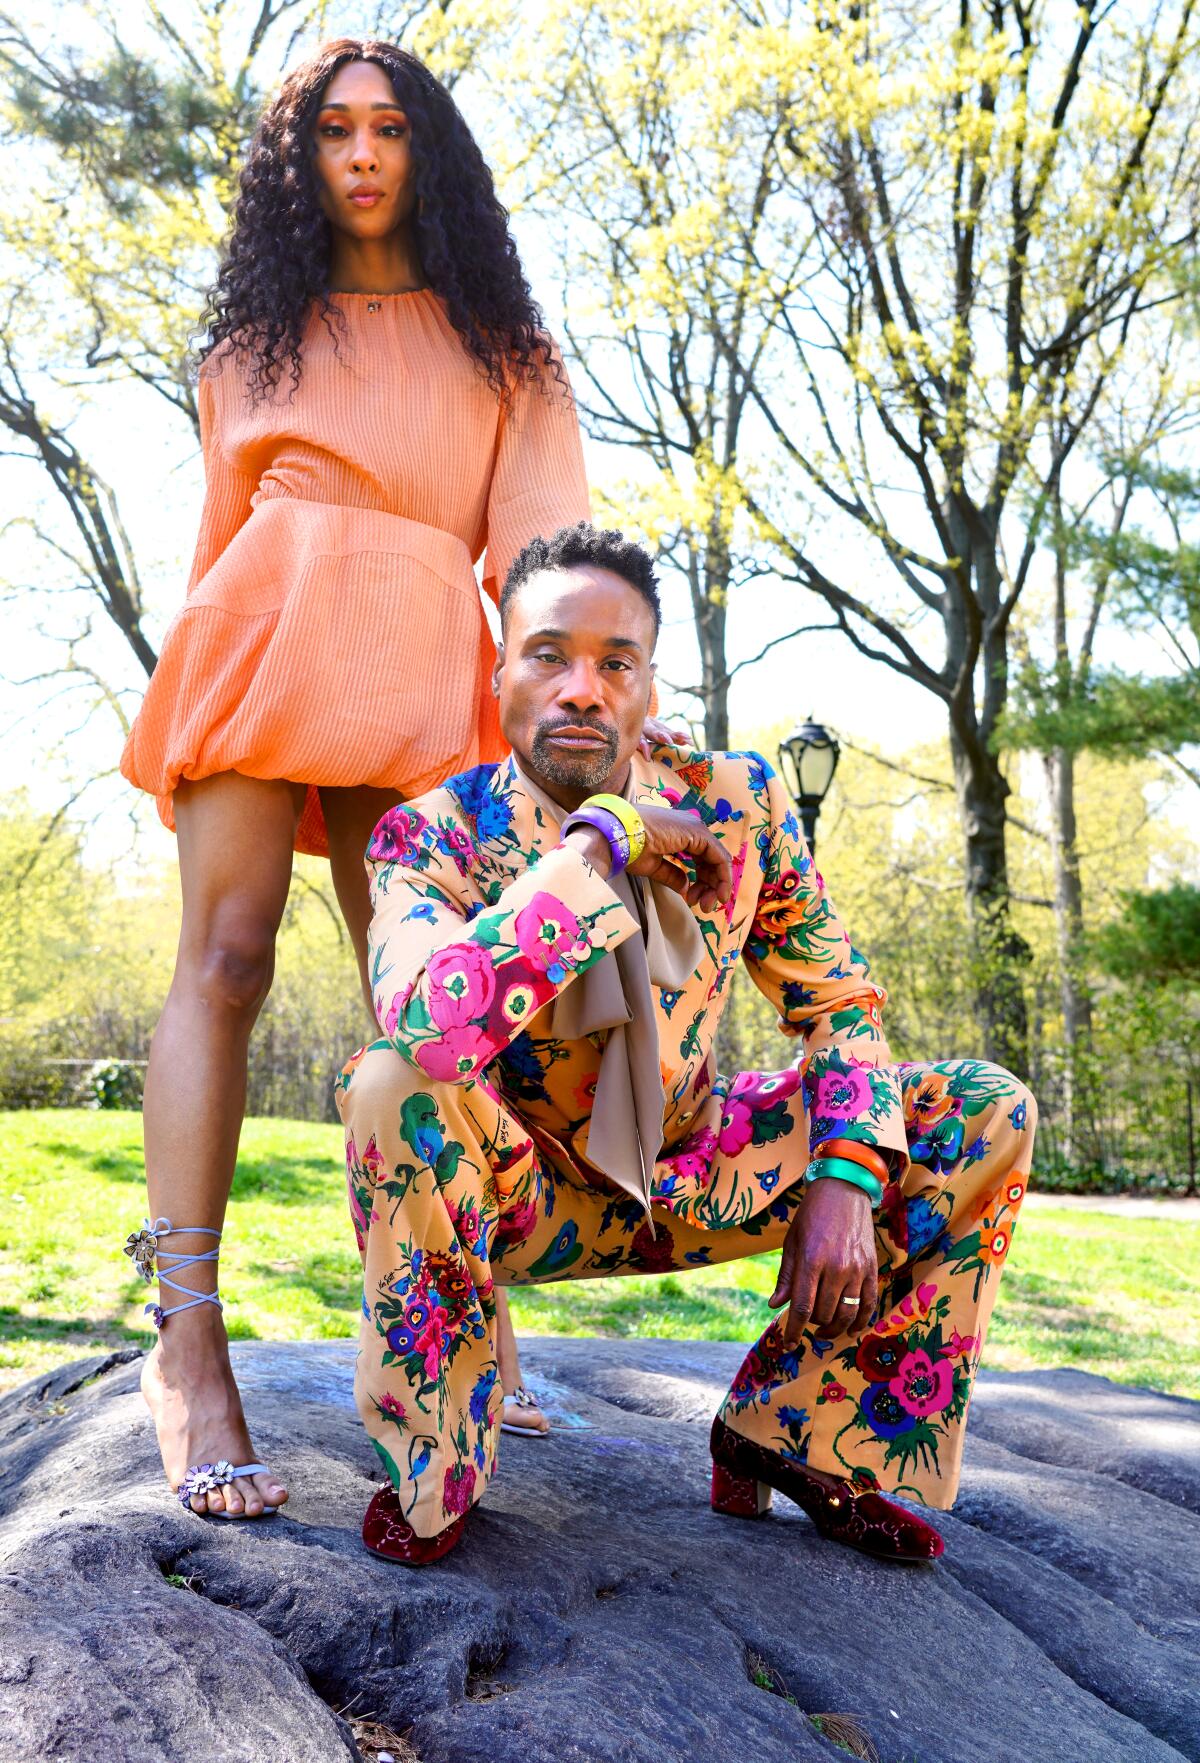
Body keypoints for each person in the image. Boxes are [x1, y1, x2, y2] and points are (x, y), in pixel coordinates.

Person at [118, 38, 626, 1518]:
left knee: (427, 987)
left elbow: (540, 561)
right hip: (260, 639)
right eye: (330, 130)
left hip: (418, 668)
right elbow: (221, 543)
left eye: (388, 127)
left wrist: (581, 726)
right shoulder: (245, 356)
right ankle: (187, 1342)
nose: (358, 153)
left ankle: (463, 1293)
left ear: (428, 151)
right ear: (298, 161)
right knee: (222, 954)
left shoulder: (505, 354)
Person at [336, 520, 1037, 1566]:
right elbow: (432, 1028)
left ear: (650, 686)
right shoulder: (430, 834)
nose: (583, 688)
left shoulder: (739, 804)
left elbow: (840, 1002)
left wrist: (847, 1173)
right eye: (549, 655)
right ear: (500, 679)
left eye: (615, 662)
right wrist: (601, 846)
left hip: (700, 1163)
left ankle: (795, 1431)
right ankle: (441, 1453)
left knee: (986, 1105)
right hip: (523, 1188)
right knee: (388, 1081)